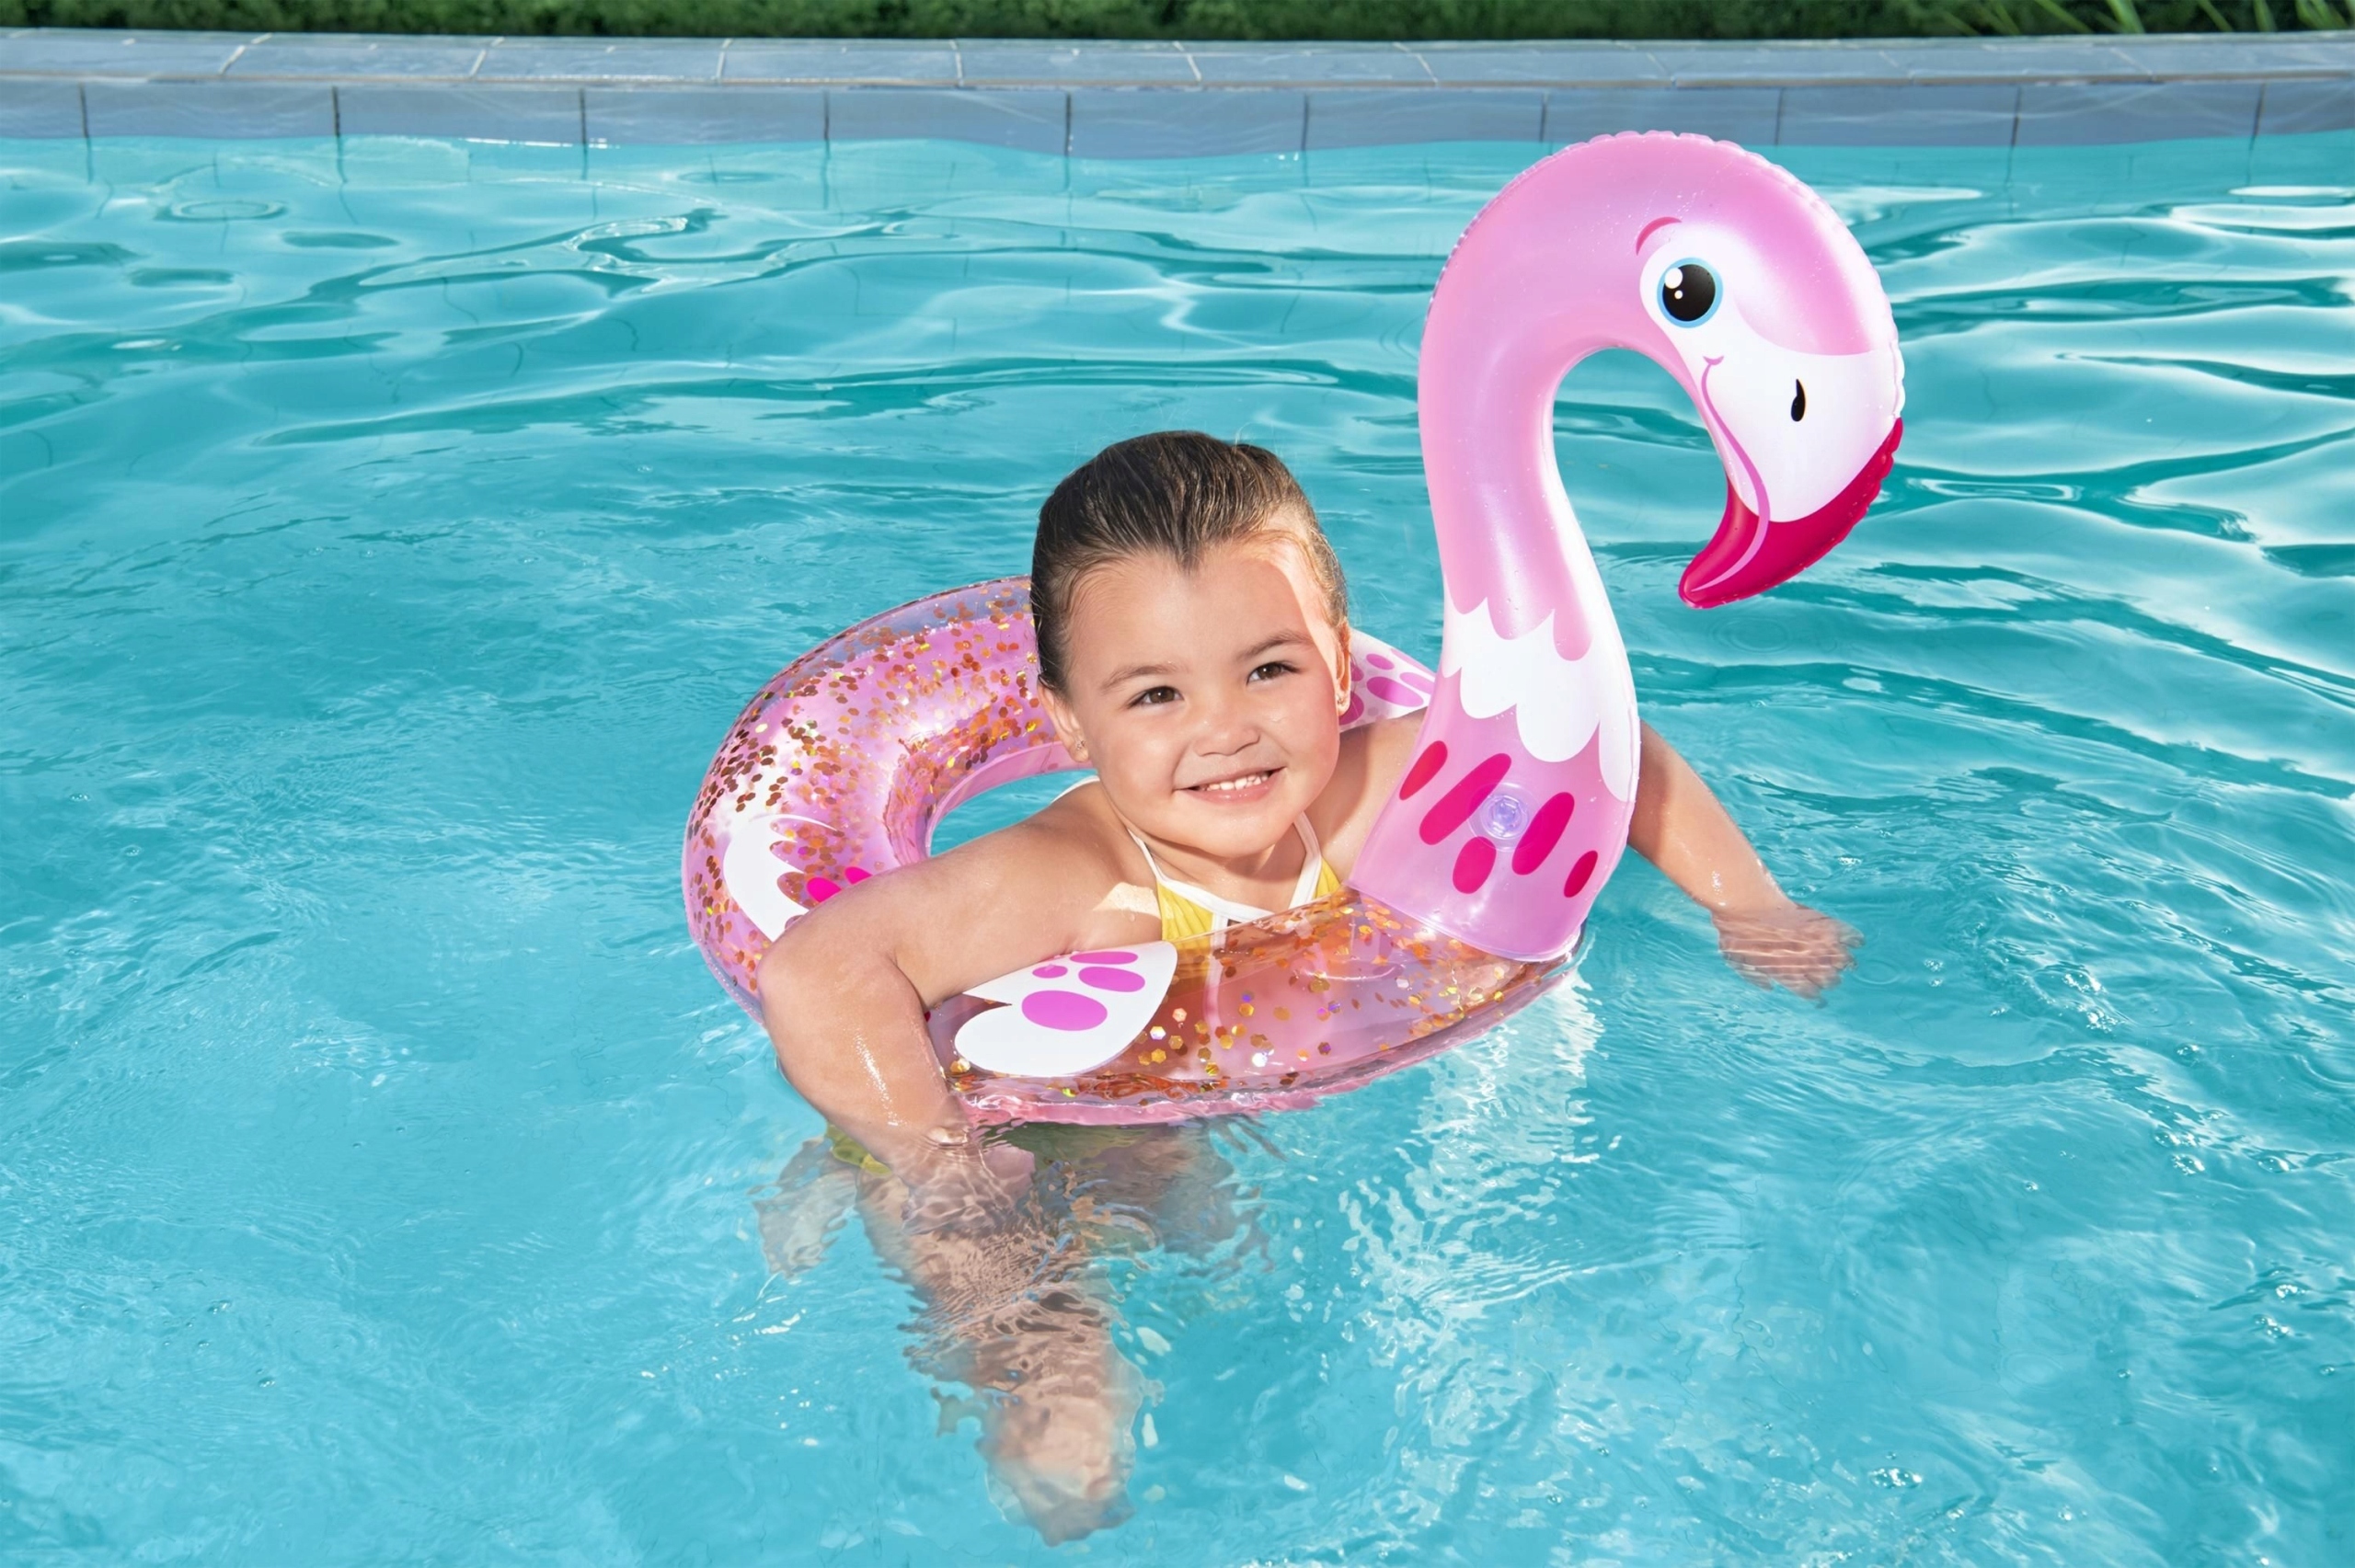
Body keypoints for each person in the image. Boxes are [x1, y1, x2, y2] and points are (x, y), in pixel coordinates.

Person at [755, 430, 1858, 1539]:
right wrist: (934, 1161)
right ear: (1068, 722)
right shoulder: (1072, 874)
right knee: (1066, 1437)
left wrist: (1747, 903)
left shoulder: (1372, 787)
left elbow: (1598, 748)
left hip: (1166, 1118)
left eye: (1268, 670)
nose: (1223, 729)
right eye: (1155, 694)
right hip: (1008, 1129)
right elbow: (820, 968)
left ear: (1337, 664)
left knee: (1249, 1286)